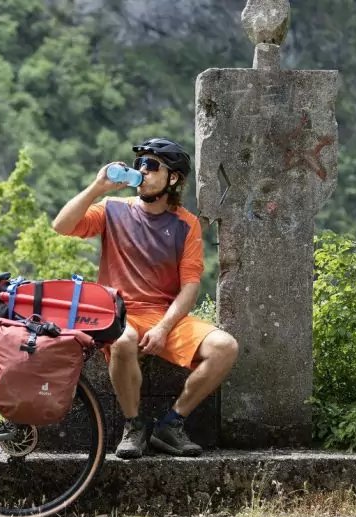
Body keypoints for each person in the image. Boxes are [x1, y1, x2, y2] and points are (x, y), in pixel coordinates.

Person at [52, 138, 238, 458]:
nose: (142, 171)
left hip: (163, 314)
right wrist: (98, 187)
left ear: (173, 178)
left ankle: (171, 425)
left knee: (225, 347)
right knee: (123, 341)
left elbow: (190, 286)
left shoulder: (186, 224)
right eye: (140, 165)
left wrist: (165, 327)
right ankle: (133, 426)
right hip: (118, 312)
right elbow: (61, 225)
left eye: (152, 166)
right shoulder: (113, 209)